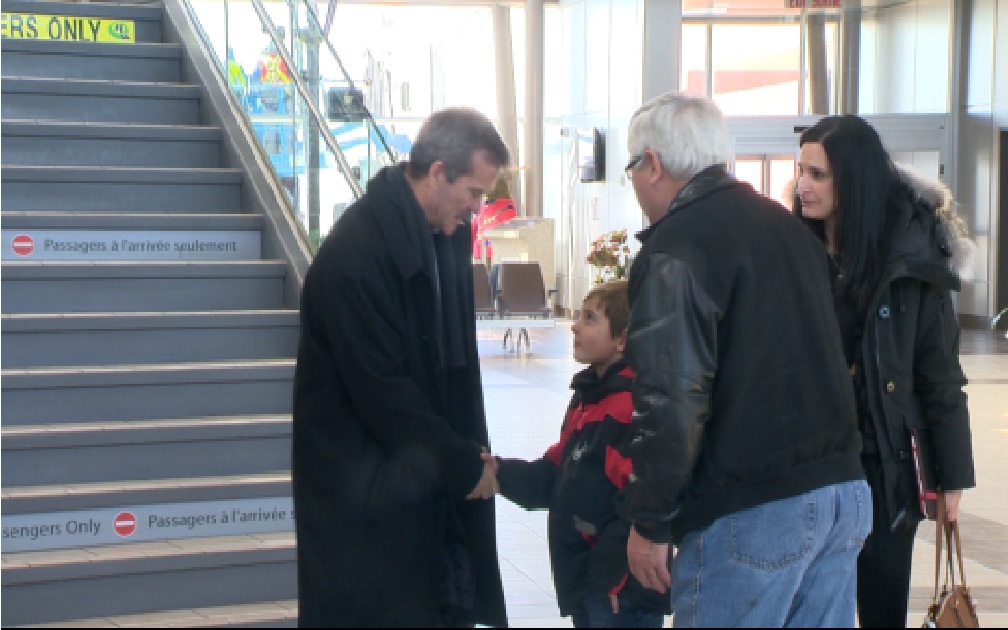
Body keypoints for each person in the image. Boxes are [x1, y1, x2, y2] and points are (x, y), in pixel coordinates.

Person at [620, 91, 872, 627]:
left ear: (654, 165)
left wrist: (649, 521)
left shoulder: (677, 248)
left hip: (752, 507)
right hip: (840, 494)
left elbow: (671, 397)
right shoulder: (790, 231)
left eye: (631, 167)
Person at [292, 107, 510, 627]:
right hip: (363, 506)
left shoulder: (439, 240)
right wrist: (461, 465)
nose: (478, 209)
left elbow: (452, 375)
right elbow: (384, 394)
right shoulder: (356, 258)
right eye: (474, 193)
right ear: (437, 172)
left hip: (413, 493)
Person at [794, 114, 977, 628]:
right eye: (800, 170)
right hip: (807, 462)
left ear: (853, 179)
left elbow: (939, 375)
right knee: (808, 607)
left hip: (885, 464)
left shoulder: (912, 256)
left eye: (818, 174)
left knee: (880, 605)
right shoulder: (791, 250)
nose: (802, 185)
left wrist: (951, 475)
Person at [485, 280, 671, 628]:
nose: (574, 325)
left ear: (623, 340)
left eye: (589, 319)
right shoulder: (590, 400)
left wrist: (608, 577)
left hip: (619, 593)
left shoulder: (629, 408)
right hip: (589, 582)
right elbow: (557, 472)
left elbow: (637, 501)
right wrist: (498, 474)